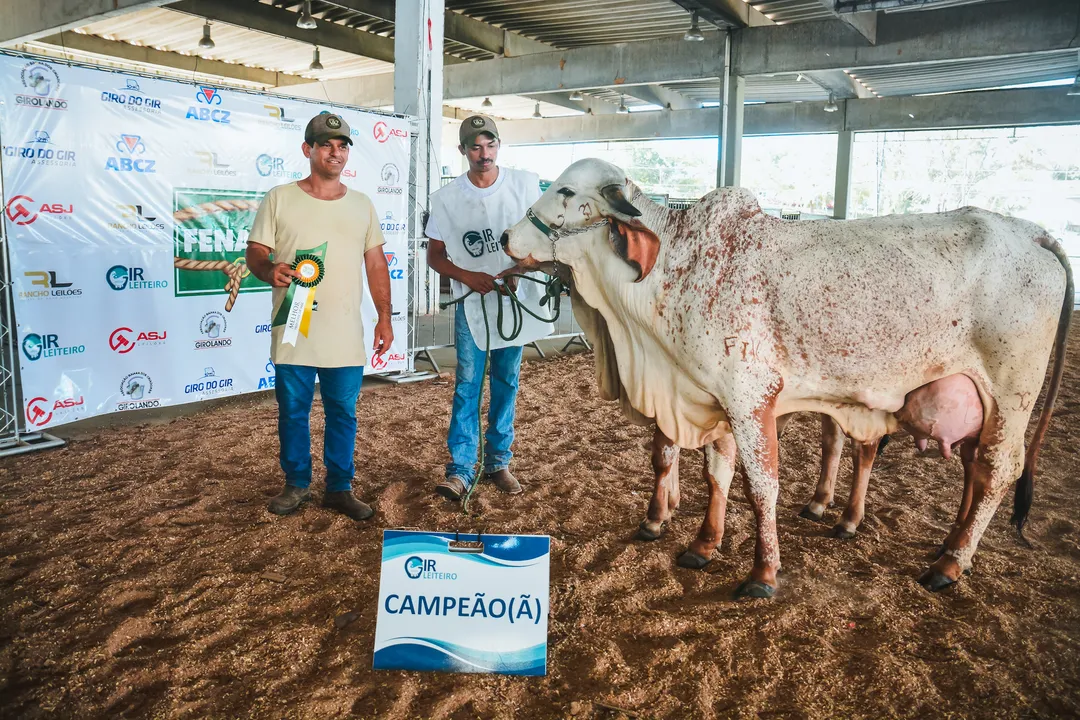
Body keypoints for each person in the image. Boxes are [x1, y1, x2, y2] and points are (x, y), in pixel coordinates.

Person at [245, 112, 393, 521]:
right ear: (307, 149)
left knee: (343, 411)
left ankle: (339, 488)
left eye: (342, 145)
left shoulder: (362, 204)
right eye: (326, 144)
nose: (336, 152)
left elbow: (377, 265)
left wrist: (385, 318)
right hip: (294, 324)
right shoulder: (279, 197)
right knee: (293, 410)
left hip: (345, 331)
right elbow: (256, 251)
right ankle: (296, 484)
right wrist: (267, 270)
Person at [425, 115, 553, 501]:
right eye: (476, 147)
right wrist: (467, 275)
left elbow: (544, 239)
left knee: (506, 380)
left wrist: (523, 266)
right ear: (463, 150)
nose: (484, 154)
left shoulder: (524, 185)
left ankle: (498, 461)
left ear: (499, 146)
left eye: (490, 145)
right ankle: (461, 469)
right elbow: (435, 255)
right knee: (467, 384)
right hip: (474, 304)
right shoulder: (446, 199)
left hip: (514, 301)